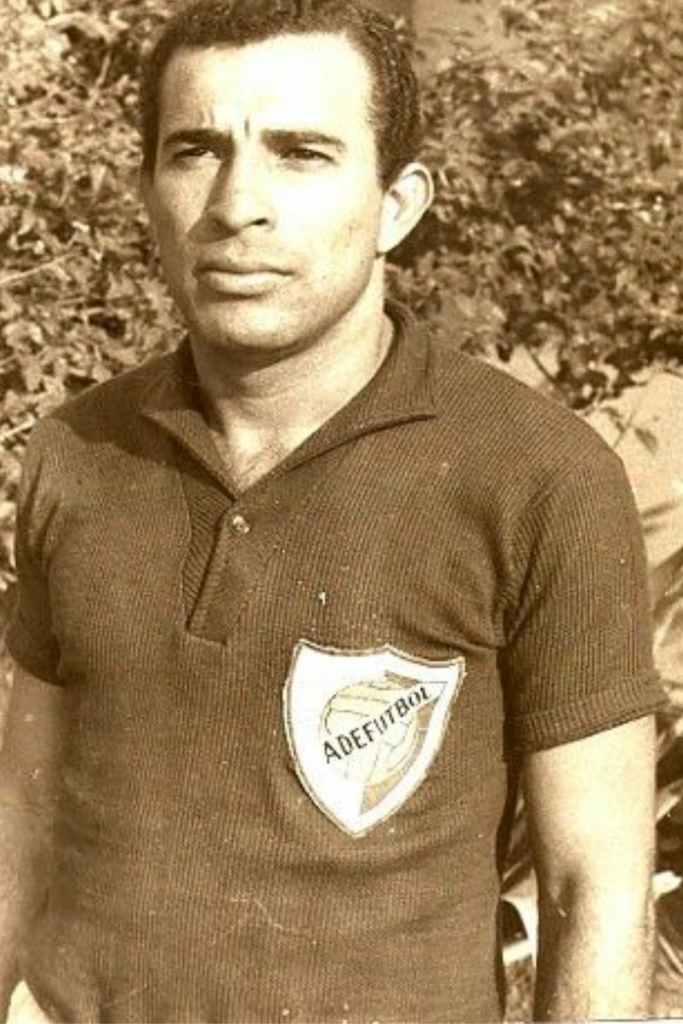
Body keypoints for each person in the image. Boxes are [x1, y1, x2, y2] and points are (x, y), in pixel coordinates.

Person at [0, 1, 663, 1021]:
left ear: (397, 204)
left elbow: (593, 892)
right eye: (195, 151)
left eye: (301, 153)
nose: (236, 205)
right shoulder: (75, 452)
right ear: (145, 192)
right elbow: (24, 818)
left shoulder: (538, 474)